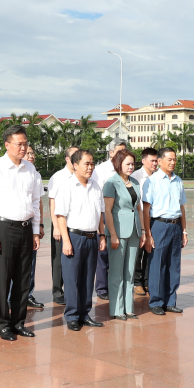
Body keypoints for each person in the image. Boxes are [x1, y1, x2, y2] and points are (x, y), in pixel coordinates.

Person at [0, 125, 42, 341]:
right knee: (2, 279)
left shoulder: (30, 169)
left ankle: (18, 322)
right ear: (7, 145)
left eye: (25, 143)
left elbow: (35, 201)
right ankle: (3, 324)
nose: (23, 147)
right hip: (4, 229)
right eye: (19, 144)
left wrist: (36, 231)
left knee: (23, 278)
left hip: (26, 229)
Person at [55, 149, 105, 330]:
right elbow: (61, 216)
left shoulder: (96, 186)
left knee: (87, 277)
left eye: (92, 163)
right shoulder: (66, 186)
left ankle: (85, 313)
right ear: (75, 165)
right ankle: (72, 315)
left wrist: (102, 235)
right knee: (72, 278)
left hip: (92, 237)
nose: (90, 167)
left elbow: (100, 213)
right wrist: (66, 241)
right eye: (87, 163)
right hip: (74, 237)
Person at [142, 147, 187, 316]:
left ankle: (170, 301)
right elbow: (146, 210)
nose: (173, 162)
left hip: (175, 226)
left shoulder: (178, 181)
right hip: (159, 225)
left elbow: (182, 207)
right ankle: (156, 301)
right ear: (159, 161)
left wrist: (184, 231)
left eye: (174, 159)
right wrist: (148, 233)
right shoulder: (152, 181)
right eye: (169, 159)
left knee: (173, 265)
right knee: (157, 264)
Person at [104, 150, 146, 320]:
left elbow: (138, 208)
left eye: (132, 164)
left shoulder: (135, 182)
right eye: (127, 163)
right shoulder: (111, 183)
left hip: (134, 231)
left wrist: (143, 231)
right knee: (116, 272)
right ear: (118, 164)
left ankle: (129, 308)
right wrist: (112, 234)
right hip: (118, 232)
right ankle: (116, 309)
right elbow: (107, 211)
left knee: (129, 271)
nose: (131, 167)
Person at [91, 138, 127, 301]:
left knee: (118, 252)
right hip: (105, 214)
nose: (122, 155)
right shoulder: (101, 170)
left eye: (124, 151)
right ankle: (102, 287)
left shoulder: (125, 168)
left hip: (122, 215)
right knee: (103, 253)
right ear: (111, 152)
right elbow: (97, 196)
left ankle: (116, 284)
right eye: (119, 151)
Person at [47, 146, 79, 306]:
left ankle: (73, 290)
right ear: (67, 159)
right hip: (61, 223)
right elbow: (52, 203)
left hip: (77, 225)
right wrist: (56, 227)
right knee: (59, 259)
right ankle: (57, 291)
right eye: (73, 156)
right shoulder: (58, 177)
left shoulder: (82, 176)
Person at [132, 147, 159, 295]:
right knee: (139, 250)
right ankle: (137, 282)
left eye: (156, 161)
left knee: (151, 249)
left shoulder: (158, 177)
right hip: (139, 217)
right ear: (143, 161)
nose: (155, 163)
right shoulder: (136, 177)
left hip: (154, 218)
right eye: (152, 161)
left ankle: (147, 280)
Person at [22, 145, 45, 310]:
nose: (31, 156)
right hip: (12, 225)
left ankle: (28, 294)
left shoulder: (35, 174)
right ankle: (11, 297)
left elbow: (39, 202)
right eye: (27, 153)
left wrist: (40, 225)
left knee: (31, 262)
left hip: (31, 224)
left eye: (32, 153)